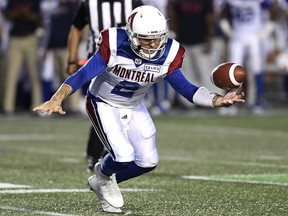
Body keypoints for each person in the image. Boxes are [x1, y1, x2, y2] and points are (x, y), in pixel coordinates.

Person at [33, 6, 245, 213]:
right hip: (102, 102)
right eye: (146, 38)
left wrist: (217, 100)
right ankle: (104, 177)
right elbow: (83, 74)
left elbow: (186, 89)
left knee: (148, 161)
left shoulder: (169, 52)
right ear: (132, 35)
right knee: (123, 156)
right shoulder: (115, 44)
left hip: (134, 105)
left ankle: (103, 178)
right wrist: (57, 98)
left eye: (157, 37)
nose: (153, 44)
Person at [66, 0, 143, 172]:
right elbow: (76, 27)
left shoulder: (133, 2)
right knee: (103, 105)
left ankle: (98, 154)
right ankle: (97, 155)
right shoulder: (89, 3)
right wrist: (72, 59)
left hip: (126, 63)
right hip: (97, 61)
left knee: (116, 108)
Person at [219, 0, 277, 115]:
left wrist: (265, 31)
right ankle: (230, 103)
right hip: (238, 37)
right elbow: (222, 14)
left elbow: (273, 11)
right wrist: (228, 30)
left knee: (256, 69)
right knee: (231, 71)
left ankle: (258, 102)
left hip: (253, 37)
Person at [167, 0, 222, 110]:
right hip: (183, 39)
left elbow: (209, 18)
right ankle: (190, 102)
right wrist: (174, 34)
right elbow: (172, 13)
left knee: (206, 72)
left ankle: (213, 100)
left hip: (200, 40)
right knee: (186, 73)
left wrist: (209, 38)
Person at [2, 0, 44, 115]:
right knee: (11, 75)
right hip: (15, 38)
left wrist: (22, 14)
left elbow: (37, 17)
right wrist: (22, 13)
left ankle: (37, 107)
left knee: (34, 74)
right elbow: (7, 14)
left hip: (31, 38)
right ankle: (8, 107)